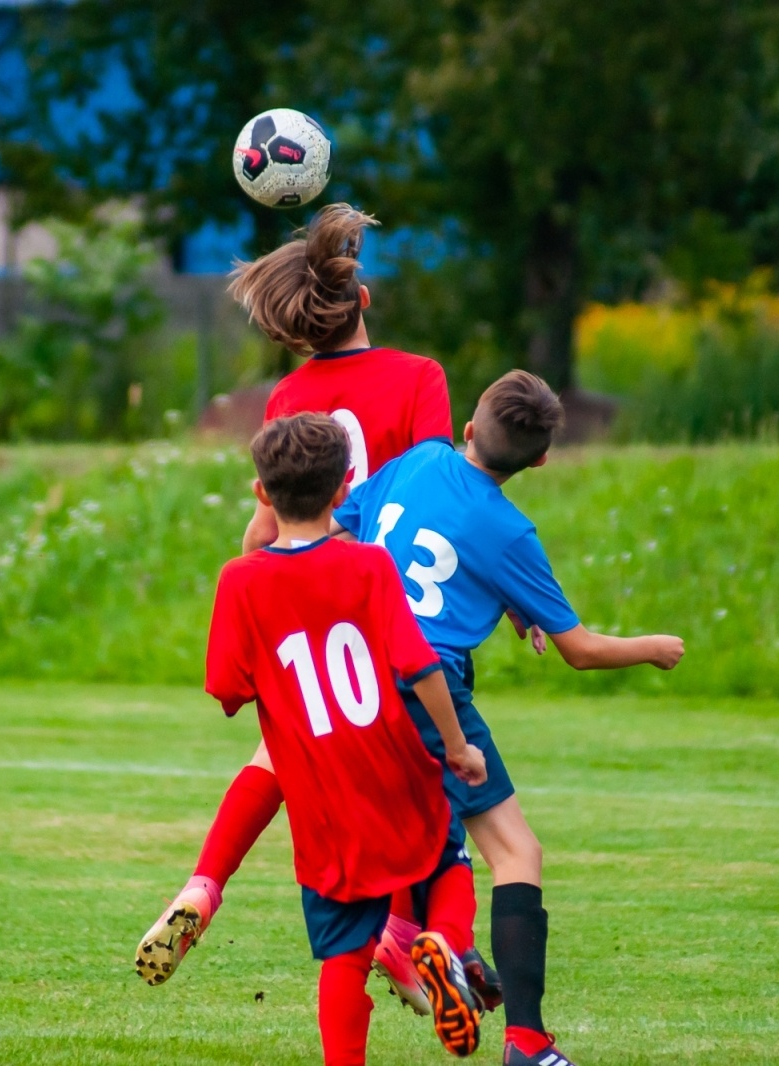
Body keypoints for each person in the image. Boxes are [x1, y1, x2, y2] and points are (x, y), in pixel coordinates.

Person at [137, 204, 494, 1010]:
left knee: (285, 760)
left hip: (299, 607)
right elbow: (443, 493)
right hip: (392, 609)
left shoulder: (288, 397)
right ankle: (410, 941)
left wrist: (253, 583)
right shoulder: (419, 377)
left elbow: (267, 524)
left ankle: (205, 883)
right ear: (362, 299)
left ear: (294, 333)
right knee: (417, 791)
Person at [332, 370, 686, 1066]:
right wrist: (653, 649)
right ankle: (525, 1039)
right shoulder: (509, 529)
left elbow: (360, 537)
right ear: (542, 459)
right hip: (428, 687)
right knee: (516, 853)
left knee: (426, 830)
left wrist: (506, 601)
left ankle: (423, 941)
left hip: (358, 679)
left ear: (468, 426)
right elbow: (578, 651)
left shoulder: (420, 459)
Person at [202, 413, 489, 1063]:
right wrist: (456, 745)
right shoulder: (370, 566)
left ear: (261, 494)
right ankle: (441, 939)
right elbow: (421, 667)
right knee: (448, 862)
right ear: (342, 494)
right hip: (396, 769)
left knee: (344, 954)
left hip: (320, 796)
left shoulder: (240, 580)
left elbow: (227, 692)